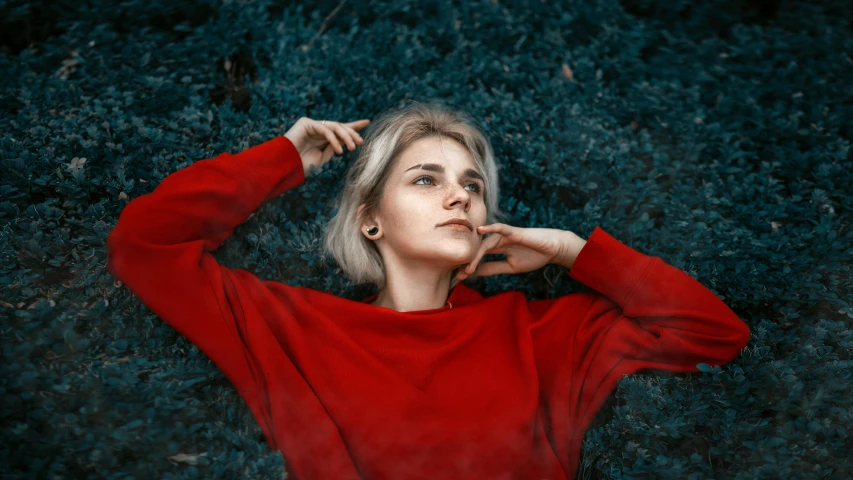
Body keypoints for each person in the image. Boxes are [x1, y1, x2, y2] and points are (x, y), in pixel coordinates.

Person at [107, 99, 751, 480]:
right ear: (370, 218)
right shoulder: (291, 325)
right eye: (424, 179)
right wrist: (282, 159)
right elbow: (146, 245)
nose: (458, 196)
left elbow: (713, 334)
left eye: (472, 185)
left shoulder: (542, 332)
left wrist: (571, 251)